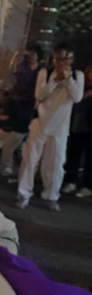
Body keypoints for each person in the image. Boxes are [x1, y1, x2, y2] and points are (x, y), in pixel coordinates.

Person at [17, 42, 84, 212]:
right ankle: (24, 194)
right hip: (40, 123)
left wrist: (67, 78)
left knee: (55, 164)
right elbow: (39, 94)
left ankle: (51, 196)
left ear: (71, 59)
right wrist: (55, 81)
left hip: (60, 128)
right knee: (30, 160)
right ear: (53, 59)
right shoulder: (45, 73)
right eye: (58, 58)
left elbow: (77, 97)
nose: (61, 62)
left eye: (65, 58)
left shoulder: (78, 75)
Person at [61, 63, 92, 198]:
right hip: (77, 125)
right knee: (74, 155)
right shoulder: (81, 83)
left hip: (90, 127)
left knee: (90, 159)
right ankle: (70, 181)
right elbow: (75, 99)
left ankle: (87, 186)